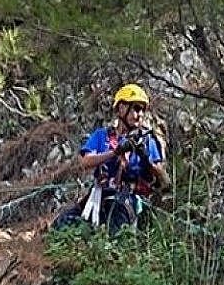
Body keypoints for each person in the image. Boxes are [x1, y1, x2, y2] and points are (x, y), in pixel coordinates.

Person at [53, 83, 170, 234]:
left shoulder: (147, 141)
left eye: (142, 110)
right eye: (136, 108)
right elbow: (85, 161)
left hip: (128, 200)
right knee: (61, 225)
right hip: (99, 195)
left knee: (115, 229)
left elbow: (164, 181)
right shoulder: (102, 135)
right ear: (121, 108)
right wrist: (115, 152)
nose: (140, 114)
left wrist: (145, 157)